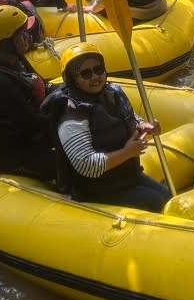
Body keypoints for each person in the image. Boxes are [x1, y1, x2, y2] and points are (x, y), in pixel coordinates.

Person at [41, 43, 172, 212]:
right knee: (159, 204)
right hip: (94, 190)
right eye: (86, 73)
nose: (95, 76)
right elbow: (86, 165)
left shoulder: (110, 93)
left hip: (124, 177)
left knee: (168, 197)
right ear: (73, 79)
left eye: (98, 69)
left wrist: (142, 125)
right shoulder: (72, 114)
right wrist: (127, 152)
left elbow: (127, 116)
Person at [0, 6, 57, 180]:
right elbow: (33, 122)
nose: (28, 37)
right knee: (70, 164)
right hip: (8, 154)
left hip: (25, 135)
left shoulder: (14, 58)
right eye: (21, 34)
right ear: (6, 43)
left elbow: (44, 85)